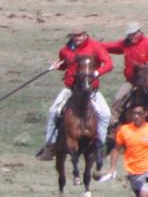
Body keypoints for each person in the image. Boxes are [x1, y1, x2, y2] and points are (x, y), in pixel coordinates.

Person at [36, 26, 113, 162]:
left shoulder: (95, 46)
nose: (77, 38)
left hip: (91, 90)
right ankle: (50, 146)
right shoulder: (66, 50)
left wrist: (97, 73)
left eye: (79, 35)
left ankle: (99, 146)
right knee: (53, 111)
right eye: (74, 36)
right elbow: (64, 64)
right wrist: (57, 66)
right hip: (71, 89)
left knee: (105, 114)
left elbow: (109, 64)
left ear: (85, 35)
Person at [102, 22, 148, 130]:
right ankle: (115, 127)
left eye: (134, 34)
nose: (132, 36)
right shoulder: (125, 44)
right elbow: (109, 47)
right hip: (132, 81)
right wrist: (94, 45)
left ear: (140, 32)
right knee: (118, 99)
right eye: (130, 34)